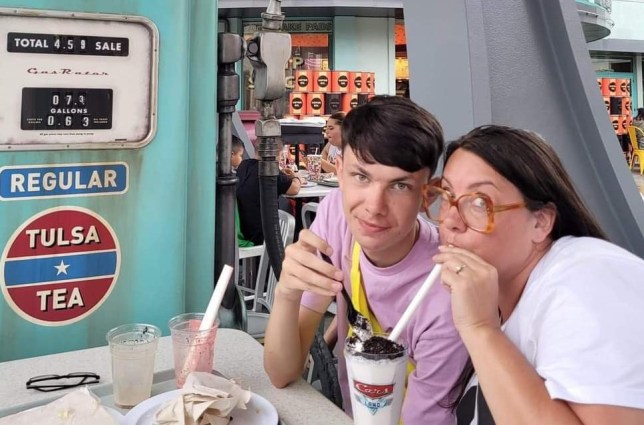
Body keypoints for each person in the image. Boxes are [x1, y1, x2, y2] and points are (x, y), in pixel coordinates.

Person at [264, 96, 469, 425]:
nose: (374, 206)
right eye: (362, 177)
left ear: (426, 197)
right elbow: (281, 372)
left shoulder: (445, 292)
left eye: (399, 185)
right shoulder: (336, 214)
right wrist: (287, 293)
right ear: (340, 172)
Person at [426, 125, 644, 424]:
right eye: (447, 195)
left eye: (479, 203)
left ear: (541, 222)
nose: (450, 220)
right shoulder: (504, 299)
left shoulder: (586, 279)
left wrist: (480, 328)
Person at [236, 138, 302, 245]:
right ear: (278, 154)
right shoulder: (270, 172)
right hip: (262, 236)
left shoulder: (244, 165)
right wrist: (297, 177)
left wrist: (281, 172)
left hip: (241, 230)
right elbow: (294, 188)